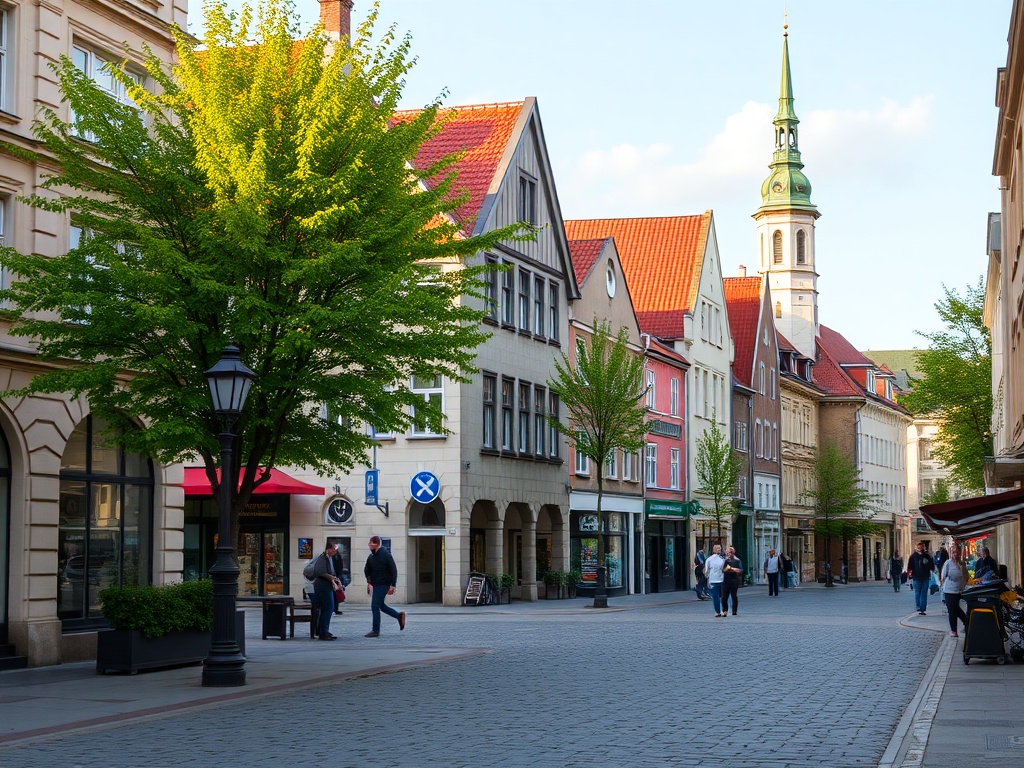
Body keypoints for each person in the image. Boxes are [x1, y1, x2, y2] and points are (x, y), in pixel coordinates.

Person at [363, 535, 406, 637]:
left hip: (383, 584)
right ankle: (398, 616)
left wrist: (393, 585)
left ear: (376, 544)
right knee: (381, 606)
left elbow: (393, 570)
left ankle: (375, 630)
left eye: (371, 544)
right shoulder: (371, 557)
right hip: (376, 583)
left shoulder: (385, 554)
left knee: (375, 606)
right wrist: (369, 582)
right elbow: (367, 570)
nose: (369, 546)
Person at [309, 542, 343, 640]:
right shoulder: (322, 558)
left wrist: (335, 579)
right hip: (322, 587)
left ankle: (324, 631)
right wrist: (332, 577)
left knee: (328, 608)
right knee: (328, 608)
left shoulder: (329, 558)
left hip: (327, 586)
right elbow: (319, 571)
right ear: (328, 549)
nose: (335, 551)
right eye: (334, 549)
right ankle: (323, 632)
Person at [939, 546, 969, 638]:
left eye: (957, 552)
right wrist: (942, 590)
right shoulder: (948, 563)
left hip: (960, 590)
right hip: (949, 590)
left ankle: (967, 622)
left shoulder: (962, 564)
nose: (955, 554)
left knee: (956, 609)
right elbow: (943, 577)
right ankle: (954, 631)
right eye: (953, 552)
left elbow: (966, 576)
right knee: (952, 610)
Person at [906, 541, 935, 615]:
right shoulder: (913, 556)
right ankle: (918, 606)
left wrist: (932, 570)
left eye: (921, 546)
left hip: (925, 577)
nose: (920, 548)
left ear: (923, 547)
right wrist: (909, 575)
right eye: (918, 546)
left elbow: (931, 566)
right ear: (916, 547)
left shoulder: (927, 556)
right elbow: (910, 566)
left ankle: (922, 608)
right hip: (916, 577)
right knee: (917, 592)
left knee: (924, 593)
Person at [328, 539, 350, 615]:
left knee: (336, 593)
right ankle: (332, 608)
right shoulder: (327, 556)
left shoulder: (337, 555)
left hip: (336, 575)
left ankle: (335, 608)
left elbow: (340, 564)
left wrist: (339, 574)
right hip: (330, 576)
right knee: (331, 593)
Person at [704, 544, 726, 617]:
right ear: (714, 549)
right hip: (713, 580)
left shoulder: (722, 559)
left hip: (721, 580)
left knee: (723, 597)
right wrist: (707, 578)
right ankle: (717, 611)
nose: (719, 549)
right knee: (715, 597)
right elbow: (706, 570)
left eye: (720, 548)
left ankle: (724, 610)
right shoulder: (709, 559)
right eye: (717, 548)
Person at [721, 546, 743, 616]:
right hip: (726, 580)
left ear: (733, 553)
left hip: (734, 580)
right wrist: (726, 569)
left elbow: (740, 570)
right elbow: (723, 570)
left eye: (730, 552)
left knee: (734, 596)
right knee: (724, 596)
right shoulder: (726, 560)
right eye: (727, 552)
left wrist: (730, 568)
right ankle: (725, 610)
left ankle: (734, 610)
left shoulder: (737, 560)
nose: (728, 554)